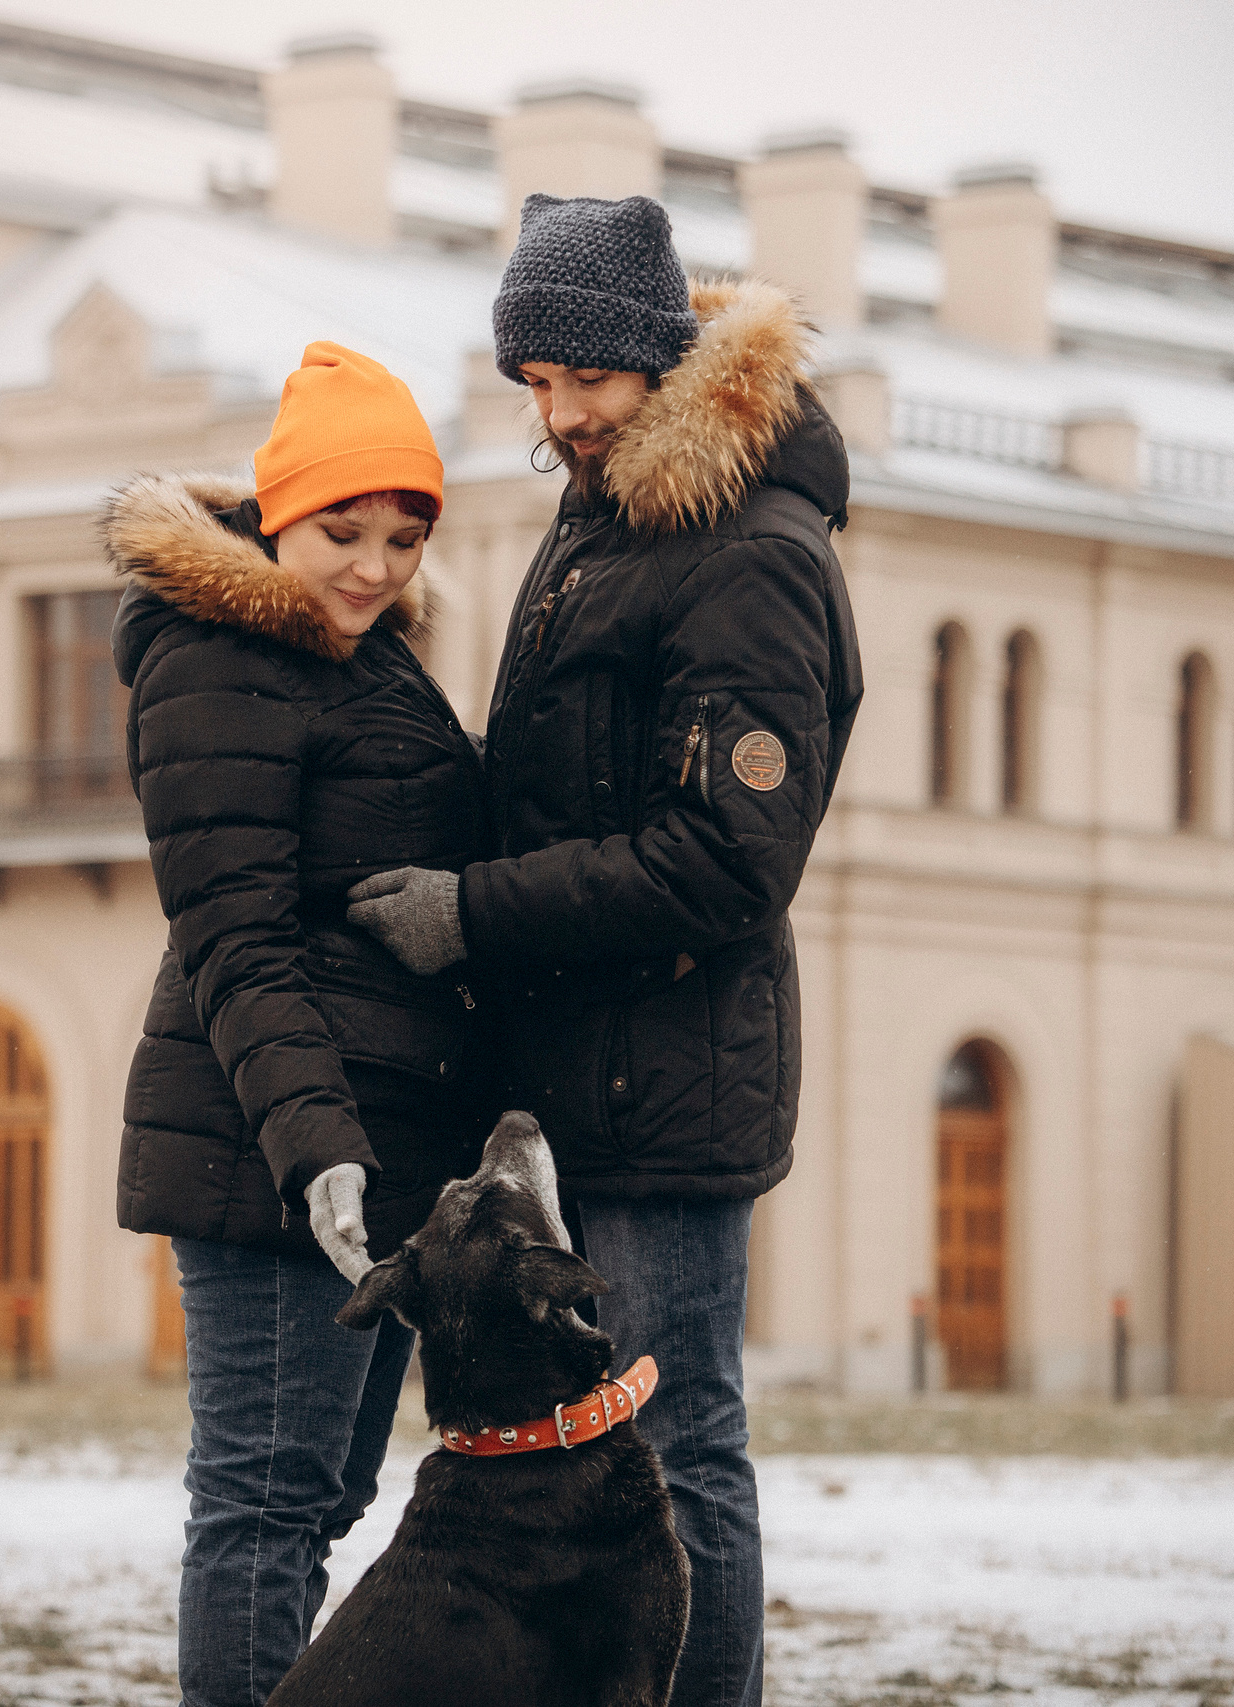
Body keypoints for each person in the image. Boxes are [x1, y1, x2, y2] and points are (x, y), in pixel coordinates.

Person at [347, 193, 864, 1707]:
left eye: (584, 380)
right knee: (629, 1462)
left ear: (657, 360)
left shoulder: (752, 553)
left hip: (675, 1083)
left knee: (680, 1450)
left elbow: (728, 857)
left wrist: (474, 909)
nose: (558, 415)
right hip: (579, 1072)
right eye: (536, 385)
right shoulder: (609, 513)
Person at [109, 342, 489, 1707]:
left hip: (367, 1146)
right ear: (279, 513)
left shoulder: (360, 660)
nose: (377, 565)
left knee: (313, 1505)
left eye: (405, 536)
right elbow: (235, 933)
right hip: (272, 1156)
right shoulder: (220, 657)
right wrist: (318, 1143)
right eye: (344, 529)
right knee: (263, 1512)